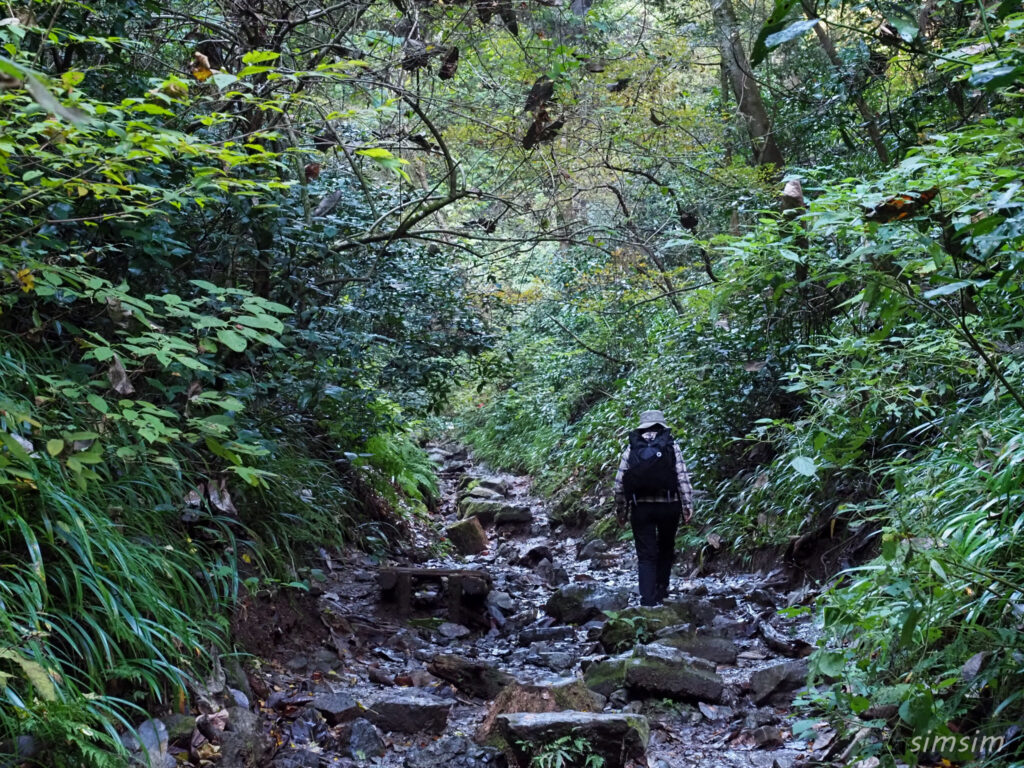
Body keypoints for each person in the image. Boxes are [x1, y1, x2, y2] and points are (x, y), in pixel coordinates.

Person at [613, 409, 693, 606]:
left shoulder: (632, 448)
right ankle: (662, 590)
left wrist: (621, 511)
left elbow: (619, 484)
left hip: (641, 508)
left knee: (646, 554)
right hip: (668, 505)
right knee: (666, 547)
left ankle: (647, 599)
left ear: (642, 427)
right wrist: (687, 506)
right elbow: (682, 478)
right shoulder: (671, 446)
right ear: (661, 426)